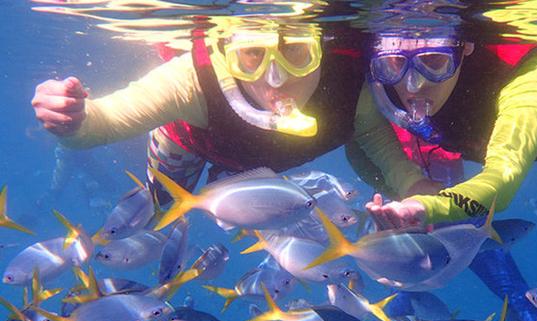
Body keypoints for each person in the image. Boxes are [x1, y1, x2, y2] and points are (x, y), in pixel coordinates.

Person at [347, 4, 537, 321]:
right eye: (396, 65)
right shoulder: (384, 76)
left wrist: (429, 206)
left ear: (465, 46)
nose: (414, 85)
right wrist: (411, 185)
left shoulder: (530, 70)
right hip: (471, 141)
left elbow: (504, 175)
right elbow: (363, 133)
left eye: (435, 62)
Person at [31, 11, 368, 204]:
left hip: (248, 163)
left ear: (322, 49)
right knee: (162, 208)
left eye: (296, 51)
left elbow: (384, 147)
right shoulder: (191, 78)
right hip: (188, 142)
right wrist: (72, 122)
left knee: (229, 205)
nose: (276, 79)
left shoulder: (353, 81)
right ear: (223, 51)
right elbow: (103, 123)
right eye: (251, 55)